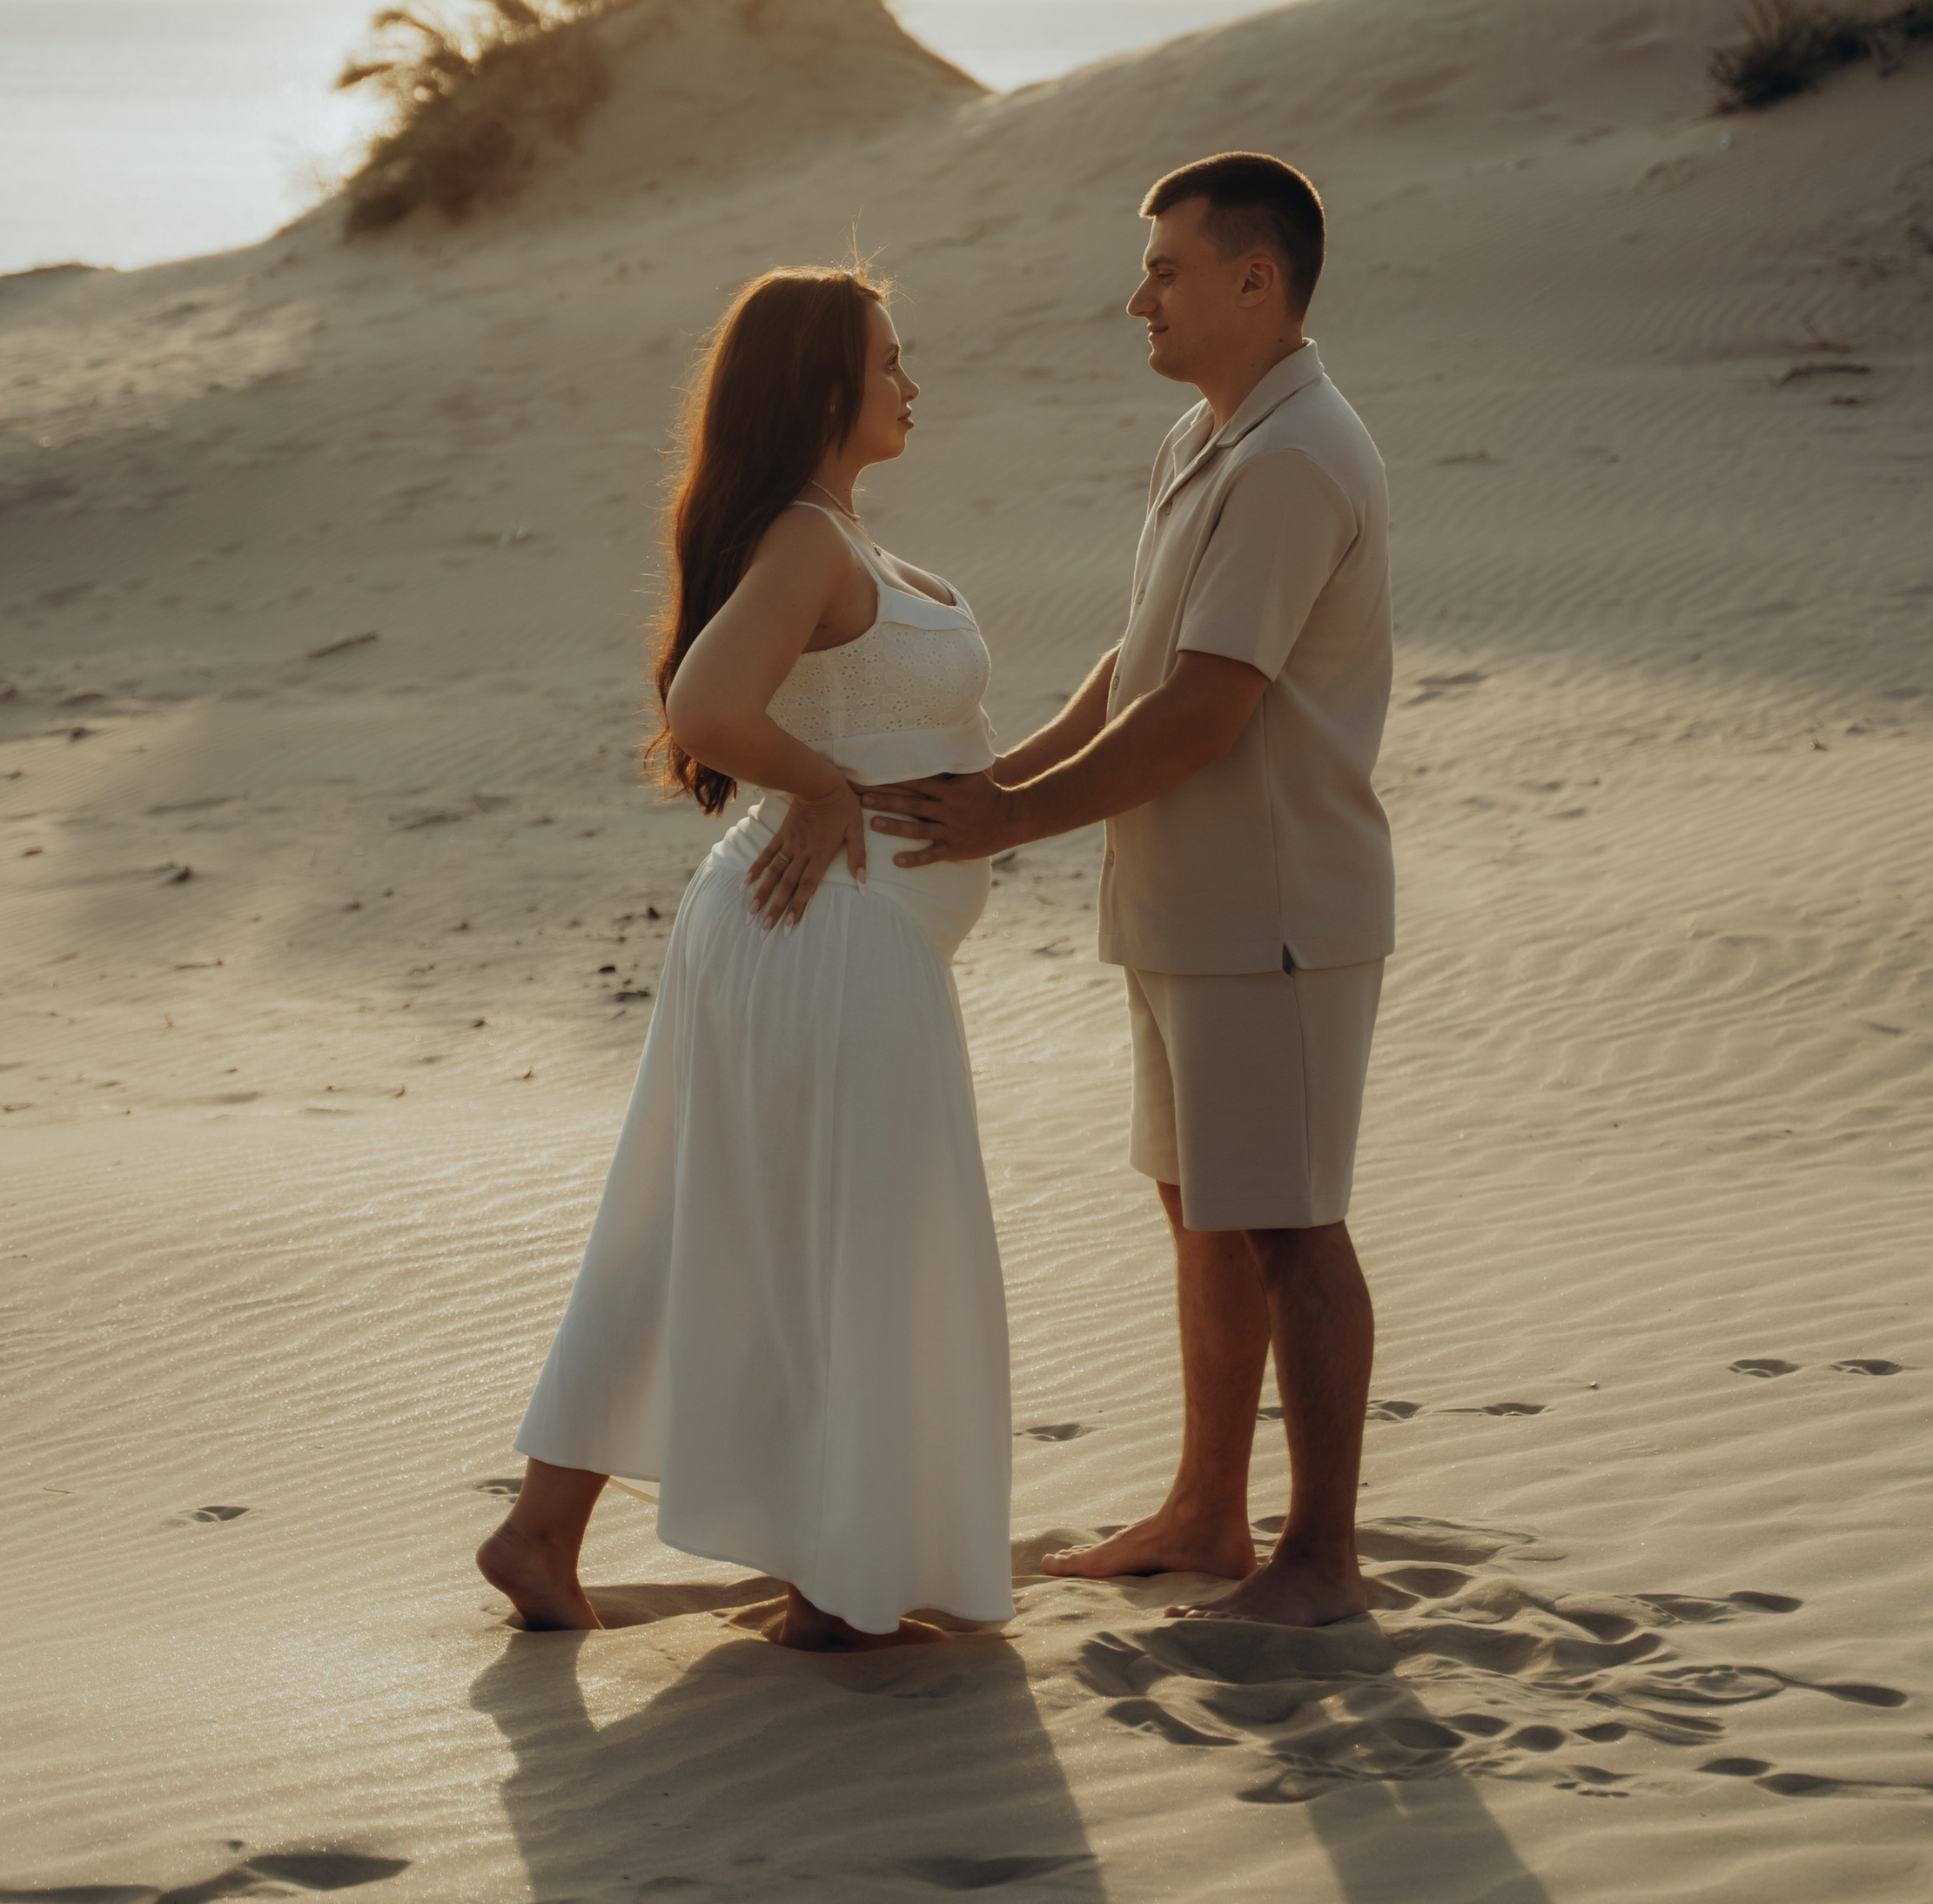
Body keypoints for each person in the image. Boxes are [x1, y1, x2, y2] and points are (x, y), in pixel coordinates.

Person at [864, 151, 1393, 1628]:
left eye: (1164, 269)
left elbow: (1210, 707)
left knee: (1290, 1222)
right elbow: (1139, 657)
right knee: (1204, 1210)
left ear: (1254, 280)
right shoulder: (1209, 435)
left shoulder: (1295, 456)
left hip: (1276, 910)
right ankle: (1210, 1510)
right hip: (1183, 902)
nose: (1136, 296)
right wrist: (1000, 779)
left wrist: (1010, 816)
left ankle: (1324, 1556)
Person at [479, 263, 1015, 1650]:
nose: (912, 383)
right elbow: (709, 703)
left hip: (818, 936)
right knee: (836, 1241)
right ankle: (834, 1579)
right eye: (891, 360)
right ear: (829, 389)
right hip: (826, 935)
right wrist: (826, 787)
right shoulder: (808, 540)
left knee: (692, 1221)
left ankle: (548, 1526)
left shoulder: (842, 540)